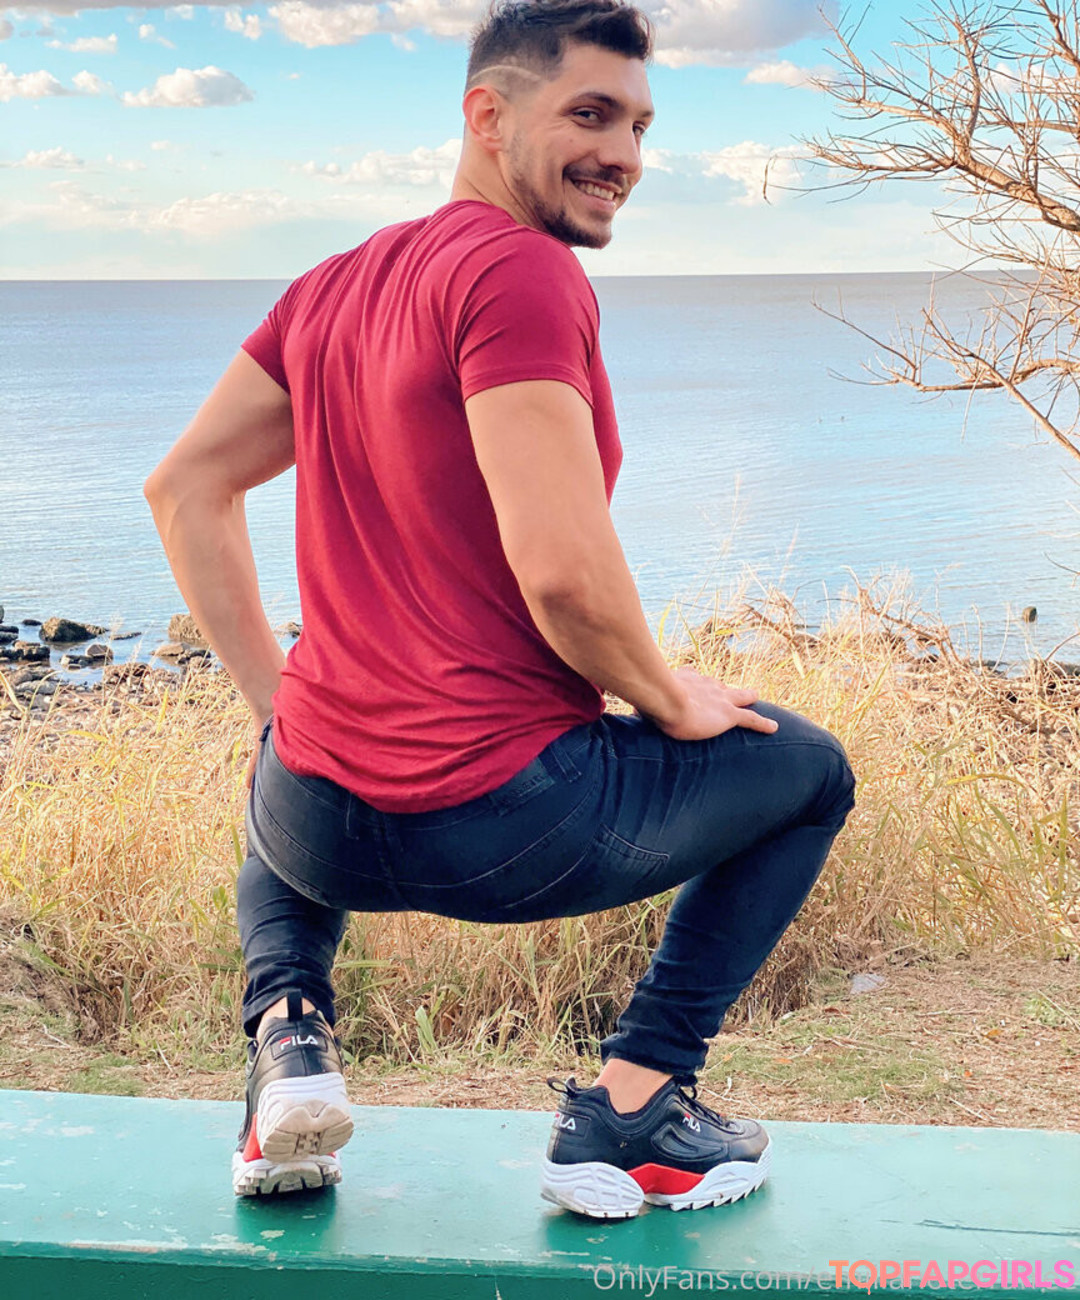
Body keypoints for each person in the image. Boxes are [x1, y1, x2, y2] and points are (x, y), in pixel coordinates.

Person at [144, 0, 856, 1218]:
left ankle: (287, 1037)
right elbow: (565, 573)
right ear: (488, 115)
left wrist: (278, 705)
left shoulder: (330, 287)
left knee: (290, 736)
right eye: (591, 115)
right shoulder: (521, 270)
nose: (623, 154)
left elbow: (184, 488)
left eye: (639, 126)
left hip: (314, 829)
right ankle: (635, 1110)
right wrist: (666, 694)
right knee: (809, 772)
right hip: (502, 824)